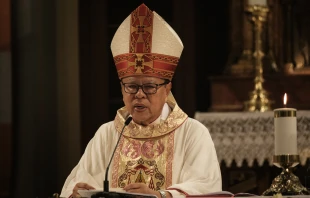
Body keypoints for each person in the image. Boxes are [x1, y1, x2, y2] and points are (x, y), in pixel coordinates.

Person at [60, 3, 222, 198]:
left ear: (167, 88)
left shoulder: (192, 133)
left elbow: (206, 187)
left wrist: (160, 195)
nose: (139, 94)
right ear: (122, 88)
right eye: (131, 86)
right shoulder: (107, 134)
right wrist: (75, 194)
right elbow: (76, 184)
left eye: (149, 87)